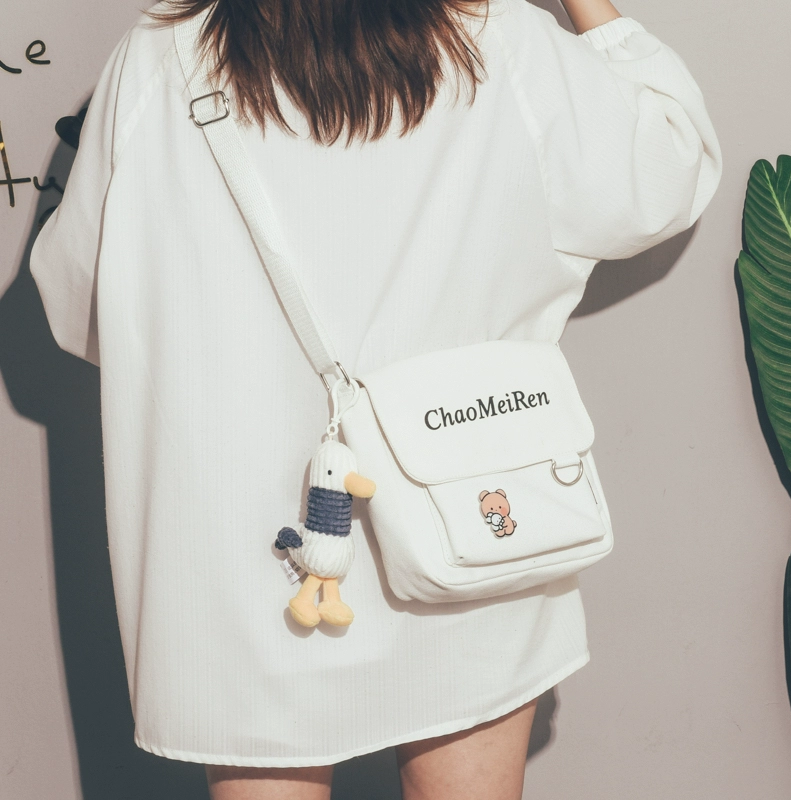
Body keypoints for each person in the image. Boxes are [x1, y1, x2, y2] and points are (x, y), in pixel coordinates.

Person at [29, 0, 722, 797]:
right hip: (465, 510)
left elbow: (80, 303)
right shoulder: (500, 39)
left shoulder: (160, 57)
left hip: (245, 546)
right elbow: (668, 167)